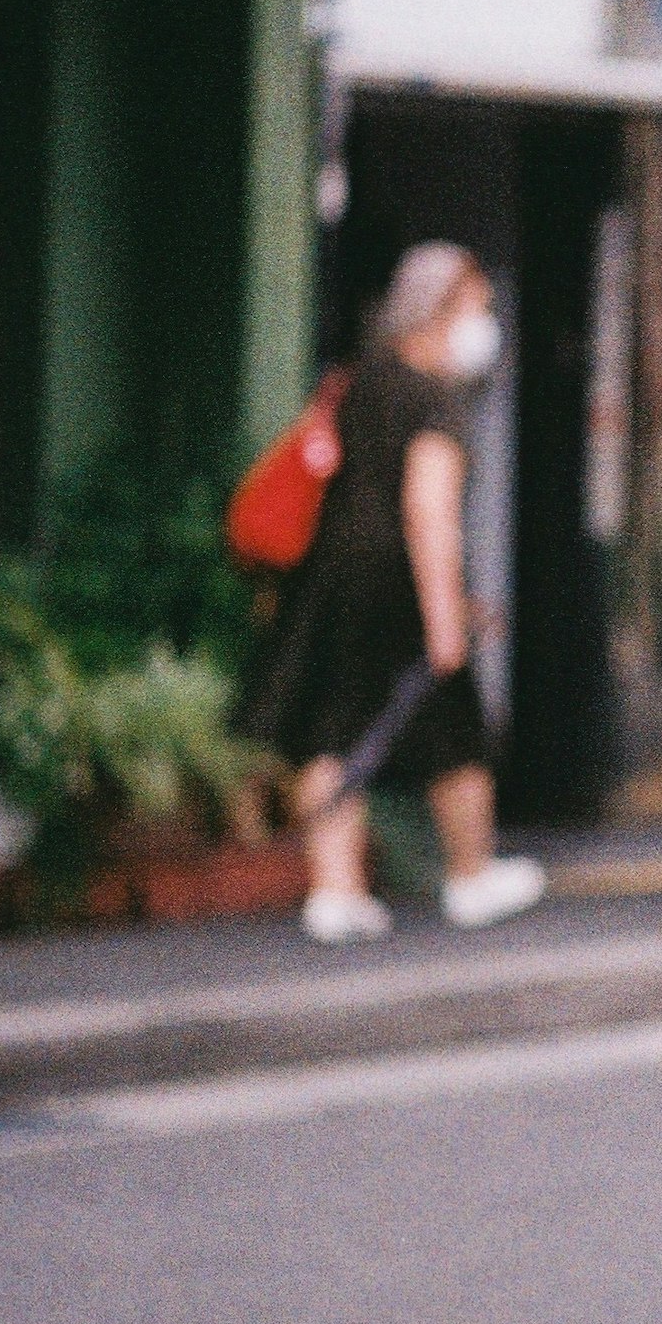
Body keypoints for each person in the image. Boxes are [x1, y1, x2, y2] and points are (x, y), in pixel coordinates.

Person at [249, 242, 545, 944]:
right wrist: (449, 617)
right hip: (402, 580)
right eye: (478, 304)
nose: (486, 319)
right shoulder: (435, 399)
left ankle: (334, 889)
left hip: (336, 575)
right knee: (455, 730)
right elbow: (429, 510)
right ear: (443, 308)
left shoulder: (363, 380)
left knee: (337, 726)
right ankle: (471, 875)